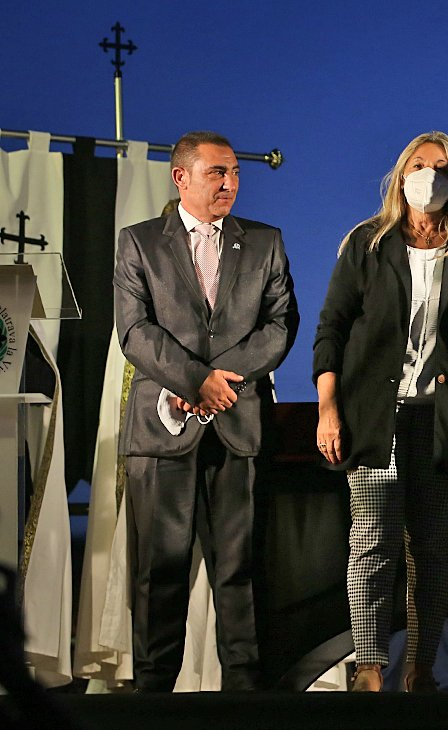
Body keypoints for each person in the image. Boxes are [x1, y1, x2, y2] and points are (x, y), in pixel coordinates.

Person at [114, 130, 298, 691]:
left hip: (238, 428)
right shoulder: (139, 242)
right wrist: (195, 380)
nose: (230, 183)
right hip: (162, 430)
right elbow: (135, 331)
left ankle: (246, 700)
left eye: (235, 172)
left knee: (241, 574)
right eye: (218, 172)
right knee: (159, 574)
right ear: (181, 177)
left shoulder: (264, 242)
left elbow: (281, 324)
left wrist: (223, 382)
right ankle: (153, 701)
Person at [313, 131, 448, 692]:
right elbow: (331, 328)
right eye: (418, 164)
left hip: (440, 421)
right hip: (375, 417)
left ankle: (421, 668)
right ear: (400, 175)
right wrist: (327, 408)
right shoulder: (368, 243)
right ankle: (369, 668)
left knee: (433, 550)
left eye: (441, 167)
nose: (428, 175)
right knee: (373, 542)